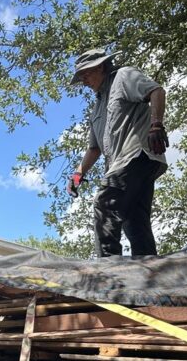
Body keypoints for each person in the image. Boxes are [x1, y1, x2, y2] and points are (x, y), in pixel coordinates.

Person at [66, 48, 168, 256]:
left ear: (101, 67)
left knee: (105, 204)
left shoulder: (123, 77)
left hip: (136, 156)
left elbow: (157, 91)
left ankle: (108, 272)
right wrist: (78, 174)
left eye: (86, 74)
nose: (84, 81)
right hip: (123, 165)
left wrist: (156, 125)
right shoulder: (97, 107)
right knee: (135, 222)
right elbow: (94, 148)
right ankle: (150, 275)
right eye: (81, 76)